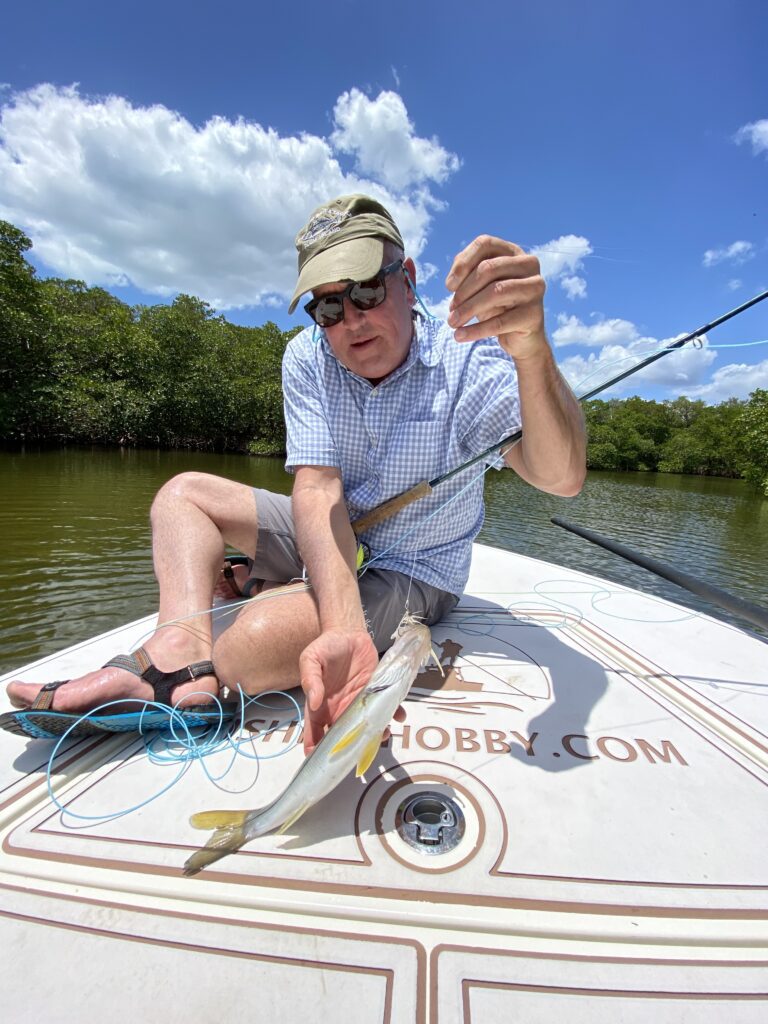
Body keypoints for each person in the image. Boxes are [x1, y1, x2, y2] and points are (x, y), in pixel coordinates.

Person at [5, 194, 586, 752]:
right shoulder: (307, 356)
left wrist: (532, 351)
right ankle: (178, 639)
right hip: (337, 531)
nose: (350, 321)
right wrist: (339, 618)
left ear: (407, 278)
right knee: (182, 495)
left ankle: (188, 671)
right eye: (327, 307)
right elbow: (317, 487)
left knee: (249, 645)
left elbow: (561, 476)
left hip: (417, 566)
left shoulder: (470, 355)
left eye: (364, 292)